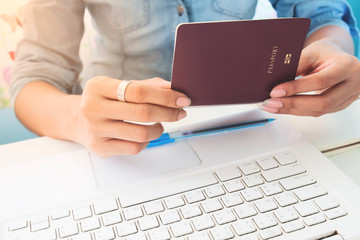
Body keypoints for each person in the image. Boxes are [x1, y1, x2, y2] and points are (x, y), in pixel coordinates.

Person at [10, 0, 360, 157]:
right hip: (124, 145)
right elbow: (34, 79)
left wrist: (331, 46)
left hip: (239, 131)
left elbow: (322, 16)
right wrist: (77, 120)